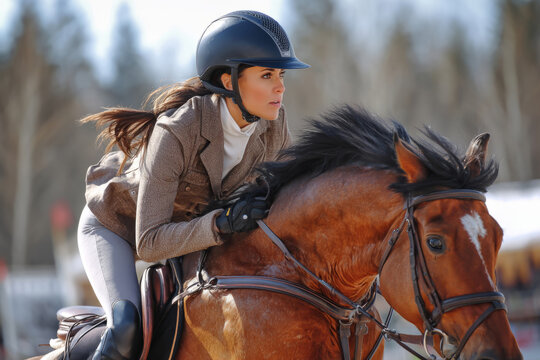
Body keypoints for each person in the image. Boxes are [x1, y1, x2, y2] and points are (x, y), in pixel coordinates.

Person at [77, 10, 309, 360]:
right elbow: (150, 241)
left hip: (187, 239)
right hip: (115, 230)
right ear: (229, 81)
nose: (280, 86)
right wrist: (223, 223)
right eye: (266, 75)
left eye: (280, 74)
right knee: (126, 328)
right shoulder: (178, 130)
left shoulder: (274, 127)